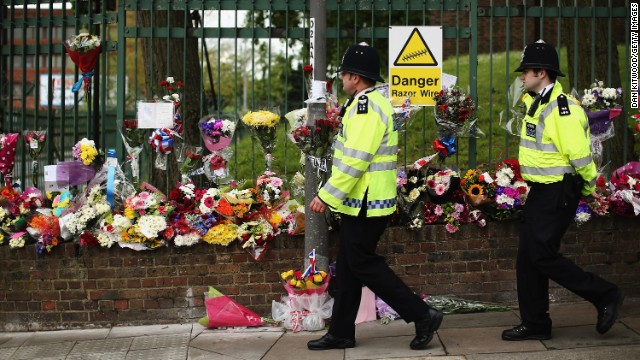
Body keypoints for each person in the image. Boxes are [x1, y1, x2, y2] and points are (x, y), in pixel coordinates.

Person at [307, 43, 443, 351]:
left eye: (344, 74)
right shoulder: (363, 102)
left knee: (364, 264)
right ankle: (341, 331)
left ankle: (422, 315)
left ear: (355, 77)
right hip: (362, 201)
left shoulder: (367, 107)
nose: (341, 79)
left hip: (367, 201)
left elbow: (356, 159)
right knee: (351, 266)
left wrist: (327, 195)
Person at [502, 40, 623, 341]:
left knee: (541, 255)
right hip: (542, 191)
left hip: (558, 191)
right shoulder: (538, 102)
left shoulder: (563, 108)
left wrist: (588, 186)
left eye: (525, 72)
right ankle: (536, 323)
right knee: (528, 257)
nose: (521, 77)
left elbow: (580, 155)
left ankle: (605, 294)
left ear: (541, 73)